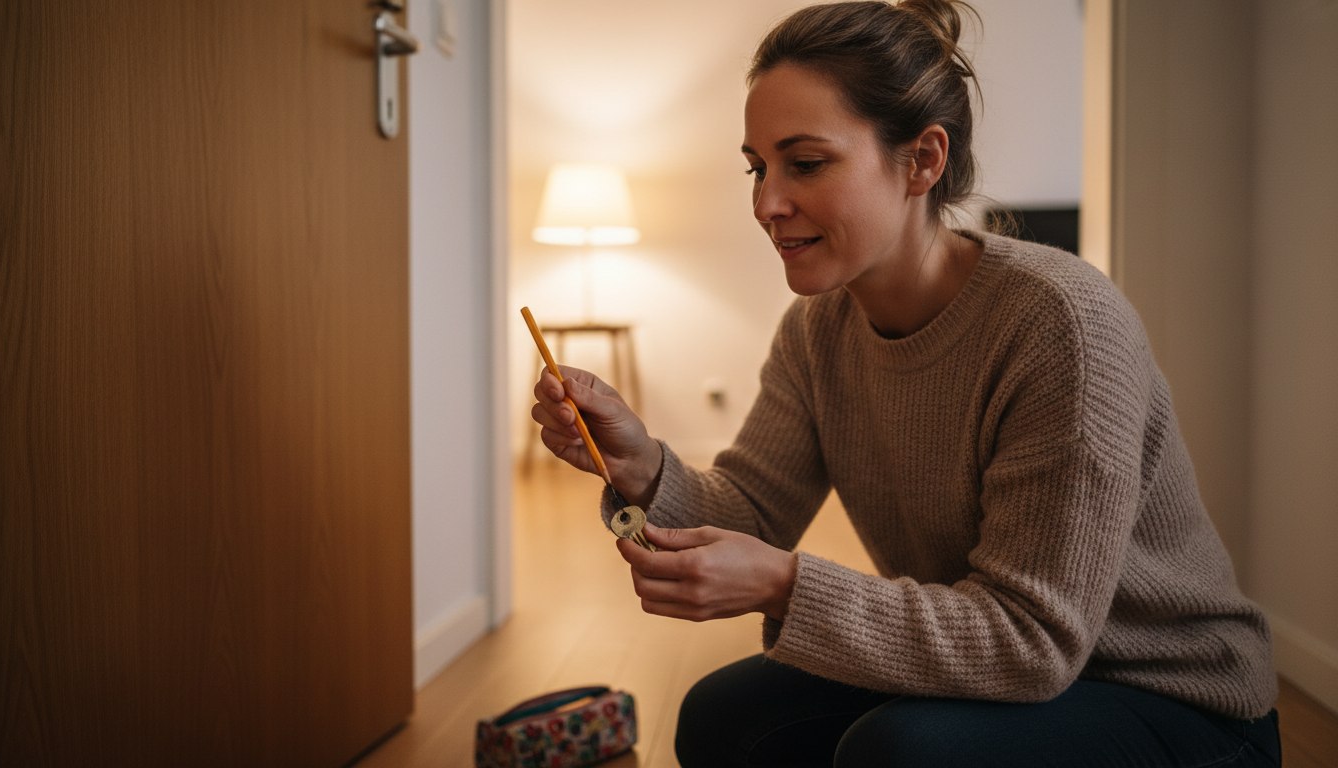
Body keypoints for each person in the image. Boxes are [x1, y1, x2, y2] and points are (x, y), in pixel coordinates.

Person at [529, 1, 1281, 765]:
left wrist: (786, 585)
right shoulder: (818, 329)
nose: (766, 204)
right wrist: (640, 463)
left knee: (901, 752)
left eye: (805, 164)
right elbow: (752, 512)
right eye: (757, 168)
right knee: (720, 717)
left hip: (1171, 696)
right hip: (989, 671)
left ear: (923, 160)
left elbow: (1033, 640)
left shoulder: (1062, 325)